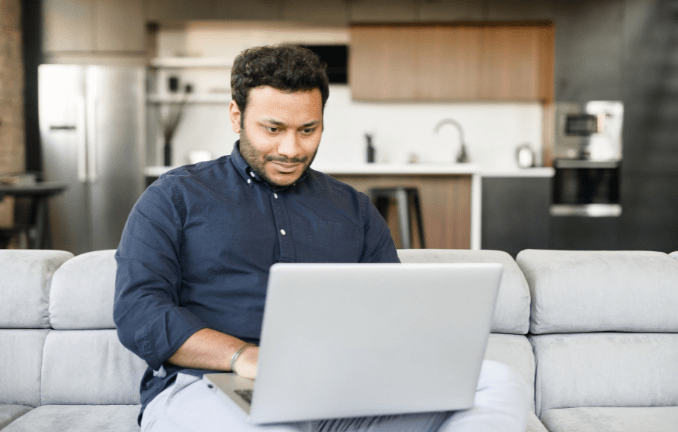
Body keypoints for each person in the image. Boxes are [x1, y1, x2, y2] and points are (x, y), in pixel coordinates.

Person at [114, 44, 529, 432]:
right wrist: (243, 356)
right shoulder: (174, 197)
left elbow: (391, 311)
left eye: (308, 130)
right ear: (236, 116)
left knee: (495, 380)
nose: (291, 148)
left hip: (338, 392)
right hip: (212, 387)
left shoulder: (353, 209)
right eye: (273, 129)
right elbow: (139, 311)